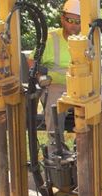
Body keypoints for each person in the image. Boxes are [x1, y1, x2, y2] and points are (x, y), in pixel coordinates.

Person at [28, 0, 80, 135]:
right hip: (56, 86)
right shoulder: (50, 39)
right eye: (70, 20)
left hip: (82, 87)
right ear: (62, 19)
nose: (74, 25)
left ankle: (85, 148)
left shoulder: (89, 40)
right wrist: (40, 77)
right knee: (54, 107)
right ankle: (55, 150)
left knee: (100, 110)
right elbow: (32, 61)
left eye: (78, 21)